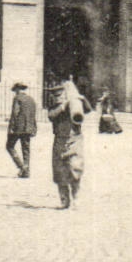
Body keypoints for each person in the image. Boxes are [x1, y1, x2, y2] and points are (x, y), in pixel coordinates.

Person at [48, 75, 91, 209]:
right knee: (59, 171)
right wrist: (62, 107)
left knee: (75, 169)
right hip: (60, 140)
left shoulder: (74, 104)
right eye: (56, 95)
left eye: (60, 94)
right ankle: (64, 200)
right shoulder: (56, 107)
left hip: (74, 140)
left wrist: (82, 99)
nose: (58, 97)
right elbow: (51, 116)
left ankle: (76, 198)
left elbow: (88, 110)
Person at [6, 81, 37, 177]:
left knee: (9, 146)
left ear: (18, 89)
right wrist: (34, 127)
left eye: (15, 90)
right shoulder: (31, 100)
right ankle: (27, 171)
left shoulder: (17, 98)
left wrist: (11, 127)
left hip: (18, 128)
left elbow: (15, 113)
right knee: (26, 149)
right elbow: (33, 115)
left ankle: (21, 166)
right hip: (28, 128)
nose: (15, 92)